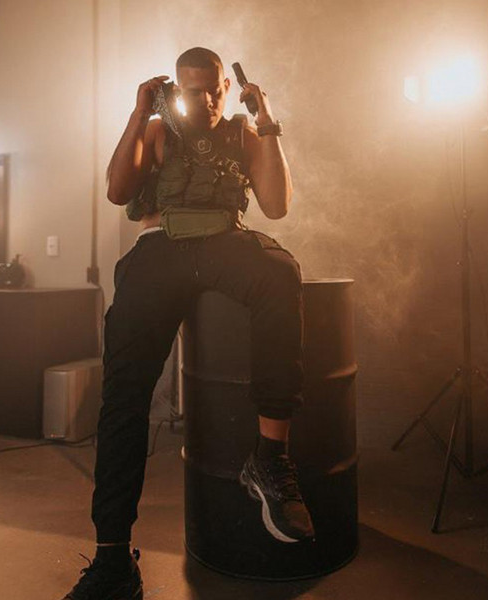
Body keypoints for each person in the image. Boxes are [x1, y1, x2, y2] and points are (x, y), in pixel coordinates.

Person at [62, 47, 313, 600]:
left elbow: (275, 205)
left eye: (214, 89)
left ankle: (270, 459)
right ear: (177, 91)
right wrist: (138, 113)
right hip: (161, 246)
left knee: (280, 272)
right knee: (123, 396)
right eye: (193, 90)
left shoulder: (244, 132)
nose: (206, 100)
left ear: (226, 87)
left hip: (225, 241)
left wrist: (266, 120)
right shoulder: (158, 130)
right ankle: (112, 560)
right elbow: (117, 192)